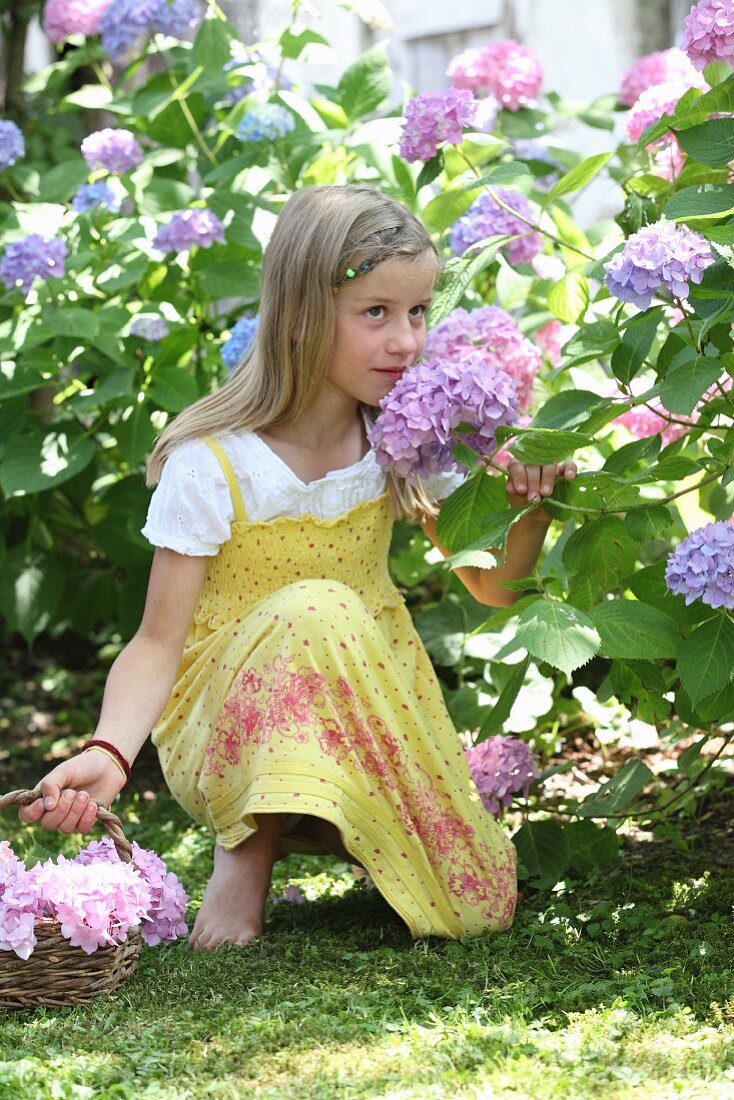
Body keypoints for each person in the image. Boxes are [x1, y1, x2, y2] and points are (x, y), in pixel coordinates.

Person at [21, 184, 576, 949]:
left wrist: (532, 509)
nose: (407, 342)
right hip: (225, 733)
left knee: (476, 909)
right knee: (313, 605)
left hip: (364, 714)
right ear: (302, 315)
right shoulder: (213, 462)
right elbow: (156, 642)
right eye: (375, 313)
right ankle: (243, 857)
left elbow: (492, 589)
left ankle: (358, 836)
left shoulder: (403, 444)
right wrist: (111, 750)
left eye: (417, 312)